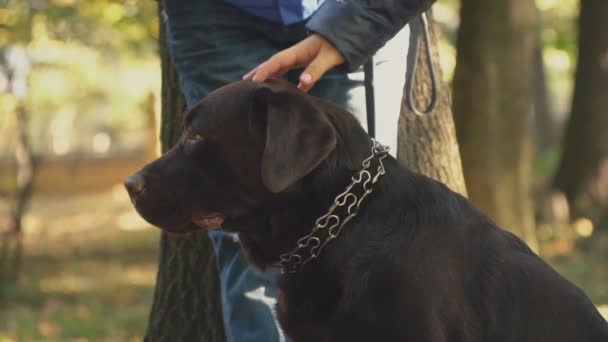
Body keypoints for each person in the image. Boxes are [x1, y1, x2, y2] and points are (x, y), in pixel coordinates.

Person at [162, 0, 435, 340]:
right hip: (218, 15)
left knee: (367, 224)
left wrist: (354, 26)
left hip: (357, 8)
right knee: (239, 226)